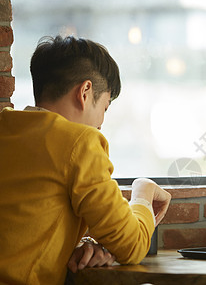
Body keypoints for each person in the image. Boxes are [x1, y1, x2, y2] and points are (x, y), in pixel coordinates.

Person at [0, 35, 171, 285]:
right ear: (85, 91)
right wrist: (142, 193)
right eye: (105, 106)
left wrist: (82, 243)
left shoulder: (7, 126)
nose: (101, 122)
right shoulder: (80, 142)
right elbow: (132, 245)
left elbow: (25, 227)